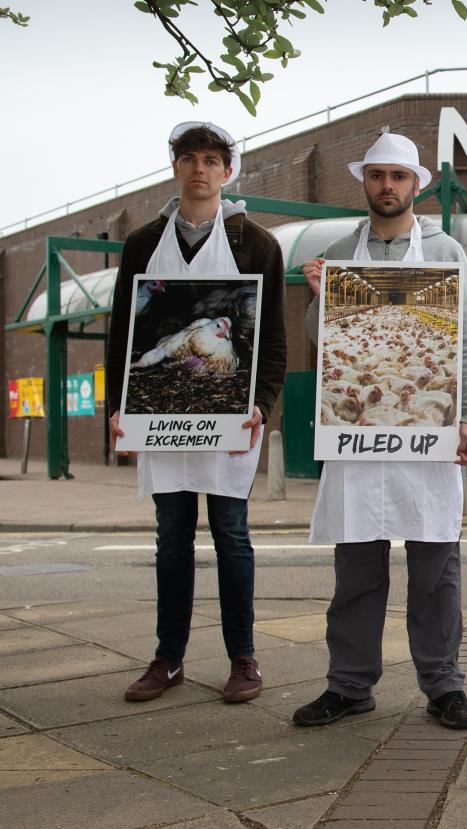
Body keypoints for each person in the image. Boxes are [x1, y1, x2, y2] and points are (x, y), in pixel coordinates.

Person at [292, 133, 467, 730]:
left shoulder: (447, 251)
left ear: (416, 184)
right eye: (377, 176)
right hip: (357, 437)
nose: (387, 186)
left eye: (397, 177)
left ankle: (443, 684)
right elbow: (319, 343)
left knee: (436, 569)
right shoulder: (340, 253)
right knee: (356, 569)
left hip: (428, 431)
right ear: (365, 183)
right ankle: (349, 684)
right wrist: (317, 298)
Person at [106, 121, 287, 704]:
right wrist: (119, 408)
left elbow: (274, 337)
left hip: (232, 421)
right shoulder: (141, 245)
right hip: (162, 423)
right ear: (176, 167)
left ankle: (243, 658)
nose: (200, 169)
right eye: (189, 158)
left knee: (232, 535)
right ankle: (168, 658)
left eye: (212, 159)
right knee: (171, 537)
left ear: (229, 170)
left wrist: (260, 403)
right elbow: (122, 335)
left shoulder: (256, 244)